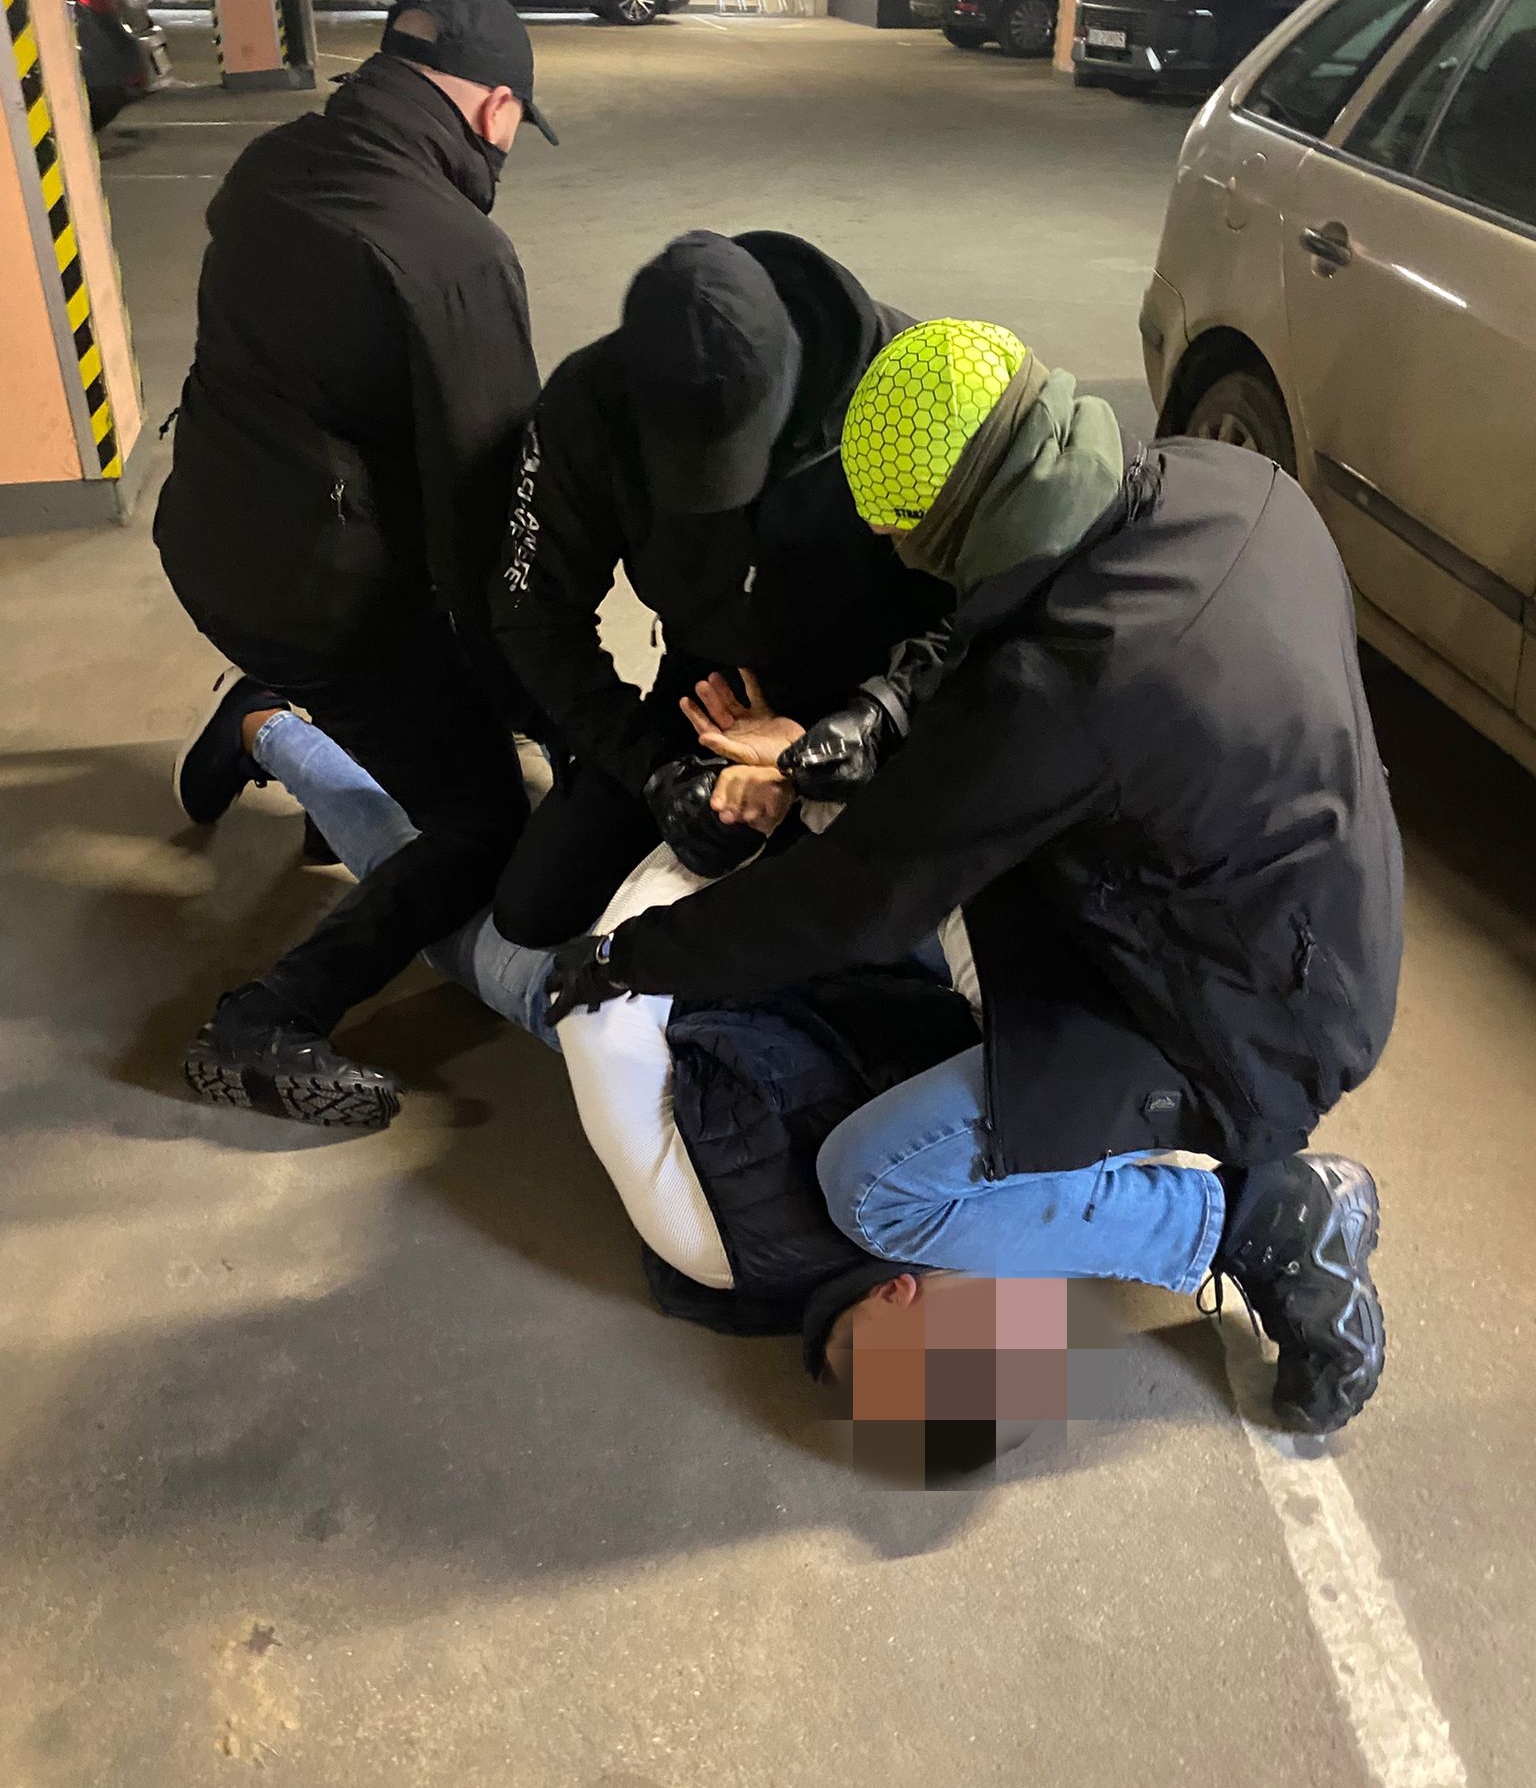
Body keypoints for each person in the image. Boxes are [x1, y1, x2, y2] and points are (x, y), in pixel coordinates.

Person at [546, 319, 1403, 1436]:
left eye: (904, 529)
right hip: (1325, 915)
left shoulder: (1068, 694)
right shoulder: (1227, 485)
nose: (889, 545)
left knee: (874, 1183)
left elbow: (852, 900)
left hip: (1242, 1016)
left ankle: (1258, 1223)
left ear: (958, 519)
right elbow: (1010, 607)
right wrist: (875, 716)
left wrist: (628, 958)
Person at [219, 700, 1182, 1482]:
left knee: (436, 880)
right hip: (806, 942)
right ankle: (303, 734)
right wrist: (816, 807)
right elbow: (996, 978)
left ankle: (268, 727)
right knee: (516, 825)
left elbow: (604, 1016)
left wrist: (722, 836)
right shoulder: (992, 1228)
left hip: (622, 969)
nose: (1009, 1300)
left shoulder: (711, 1243)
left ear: (898, 1296)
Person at [155, 0, 557, 1130]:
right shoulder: (453, 254)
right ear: (495, 110)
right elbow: (494, 517)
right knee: (483, 824)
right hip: (320, 600)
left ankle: (262, 711)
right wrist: (547, 700)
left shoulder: (272, 165)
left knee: (398, 699)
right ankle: (269, 1018)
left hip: (209, 538)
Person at [488, 228, 953, 945]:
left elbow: (994, 601)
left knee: (861, 920)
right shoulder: (588, 402)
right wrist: (654, 767)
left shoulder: (909, 386)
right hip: (709, 690)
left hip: (882, 684)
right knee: (532, 910)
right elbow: (534, 613)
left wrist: (882, 714)